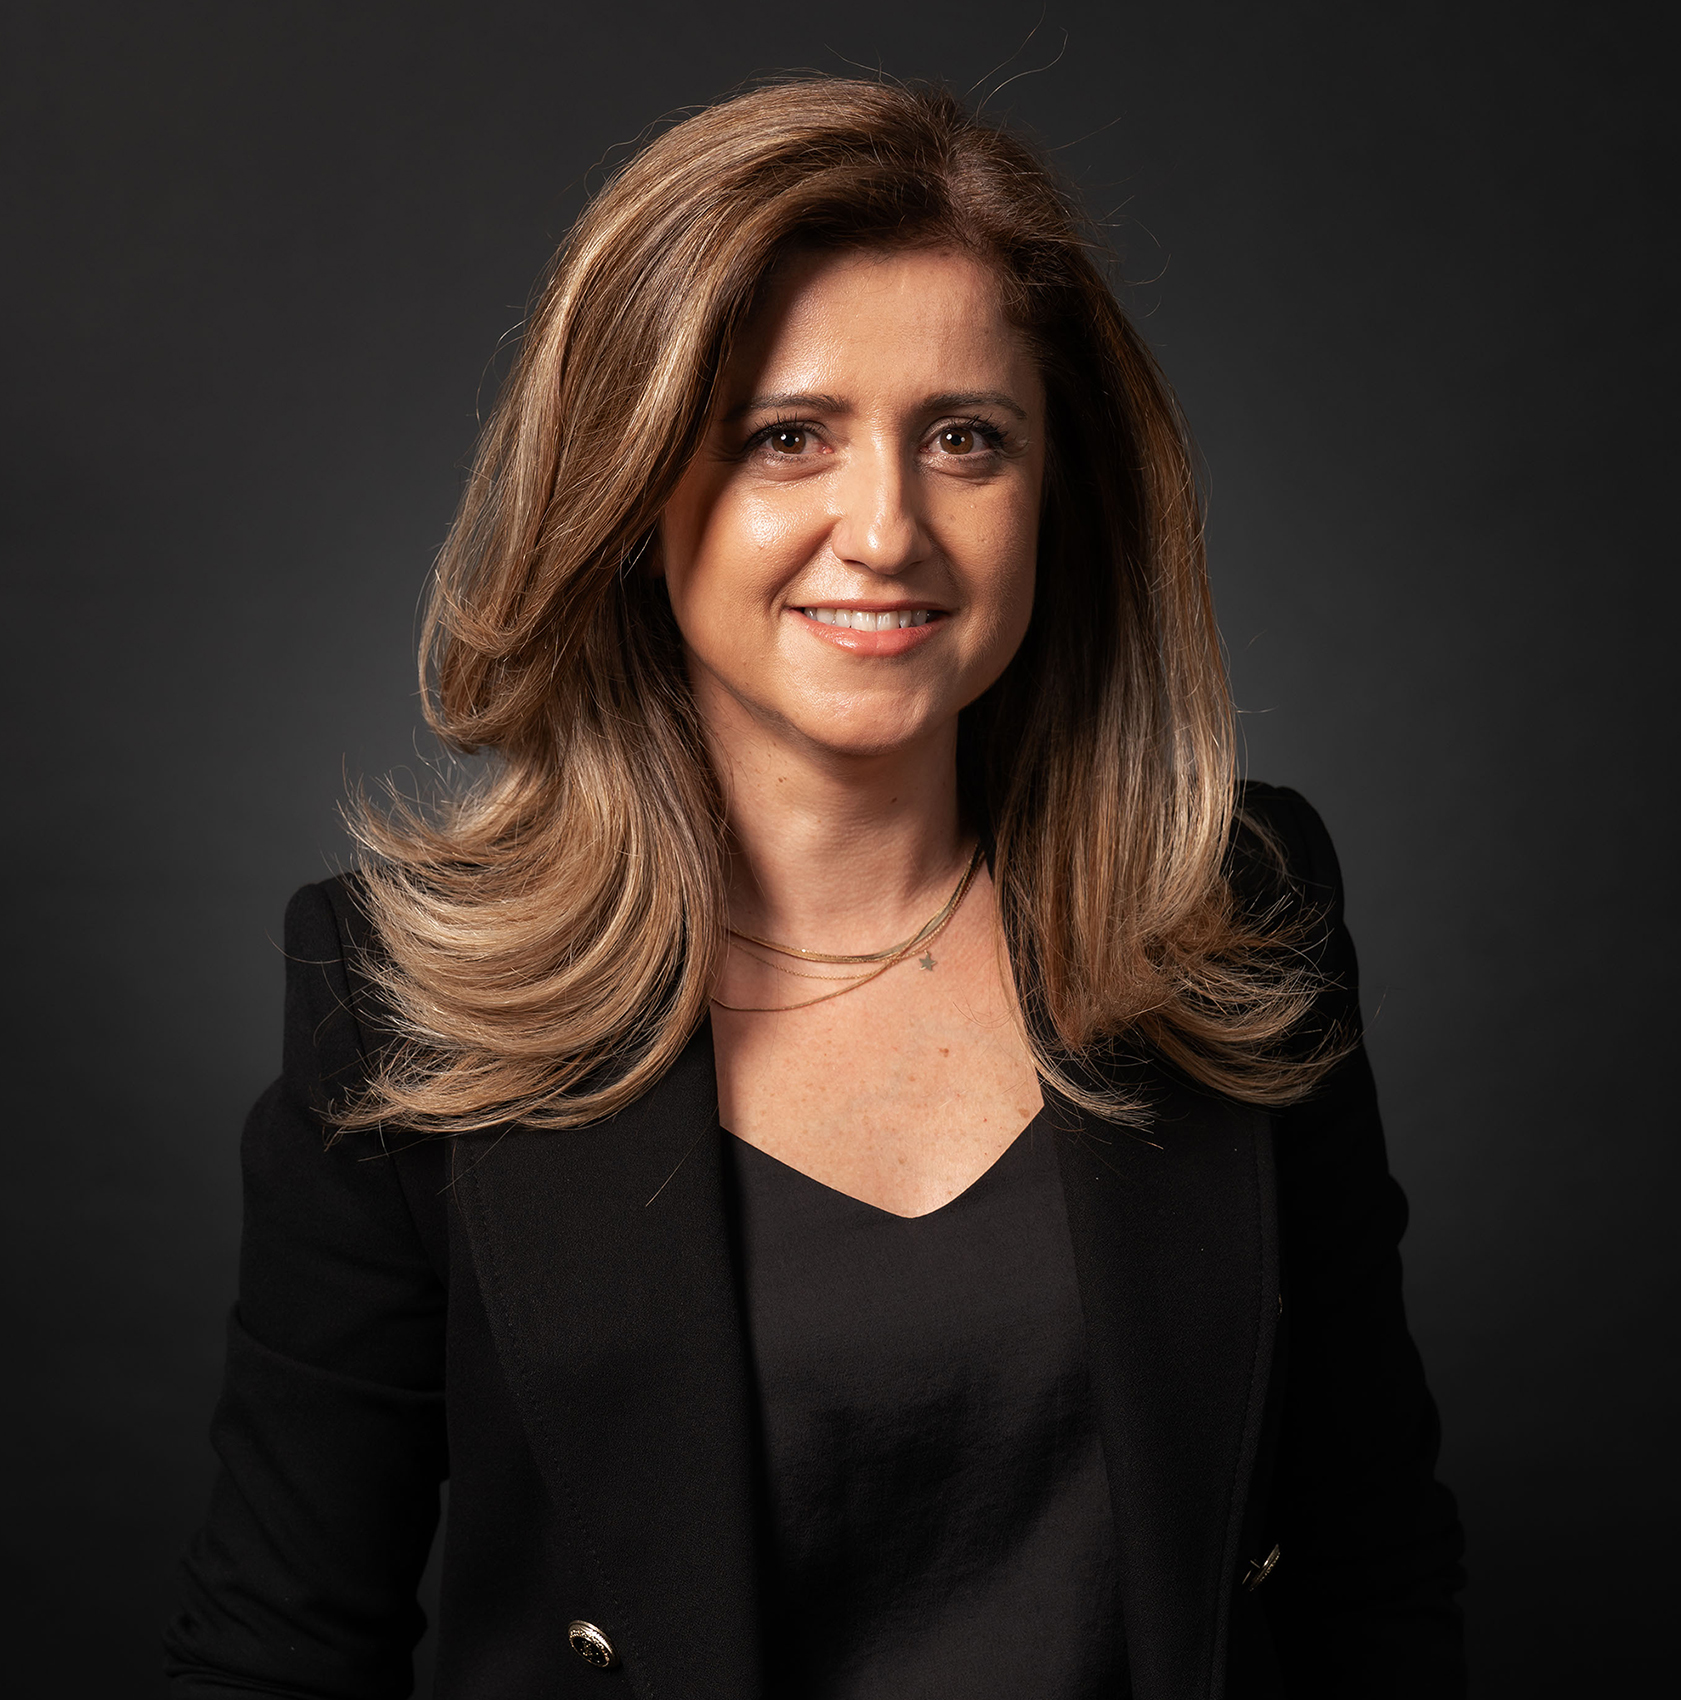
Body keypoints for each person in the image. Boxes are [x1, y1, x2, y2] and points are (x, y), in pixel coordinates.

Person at [165, 77, 1464, 1699]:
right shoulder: (396, 1000)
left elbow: (1376, 1580)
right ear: (634, 493)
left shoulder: (1243, 915)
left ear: (1056, 492)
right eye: (787, 437)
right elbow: (279, 1653)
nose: (887, 528)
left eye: (965, 440)